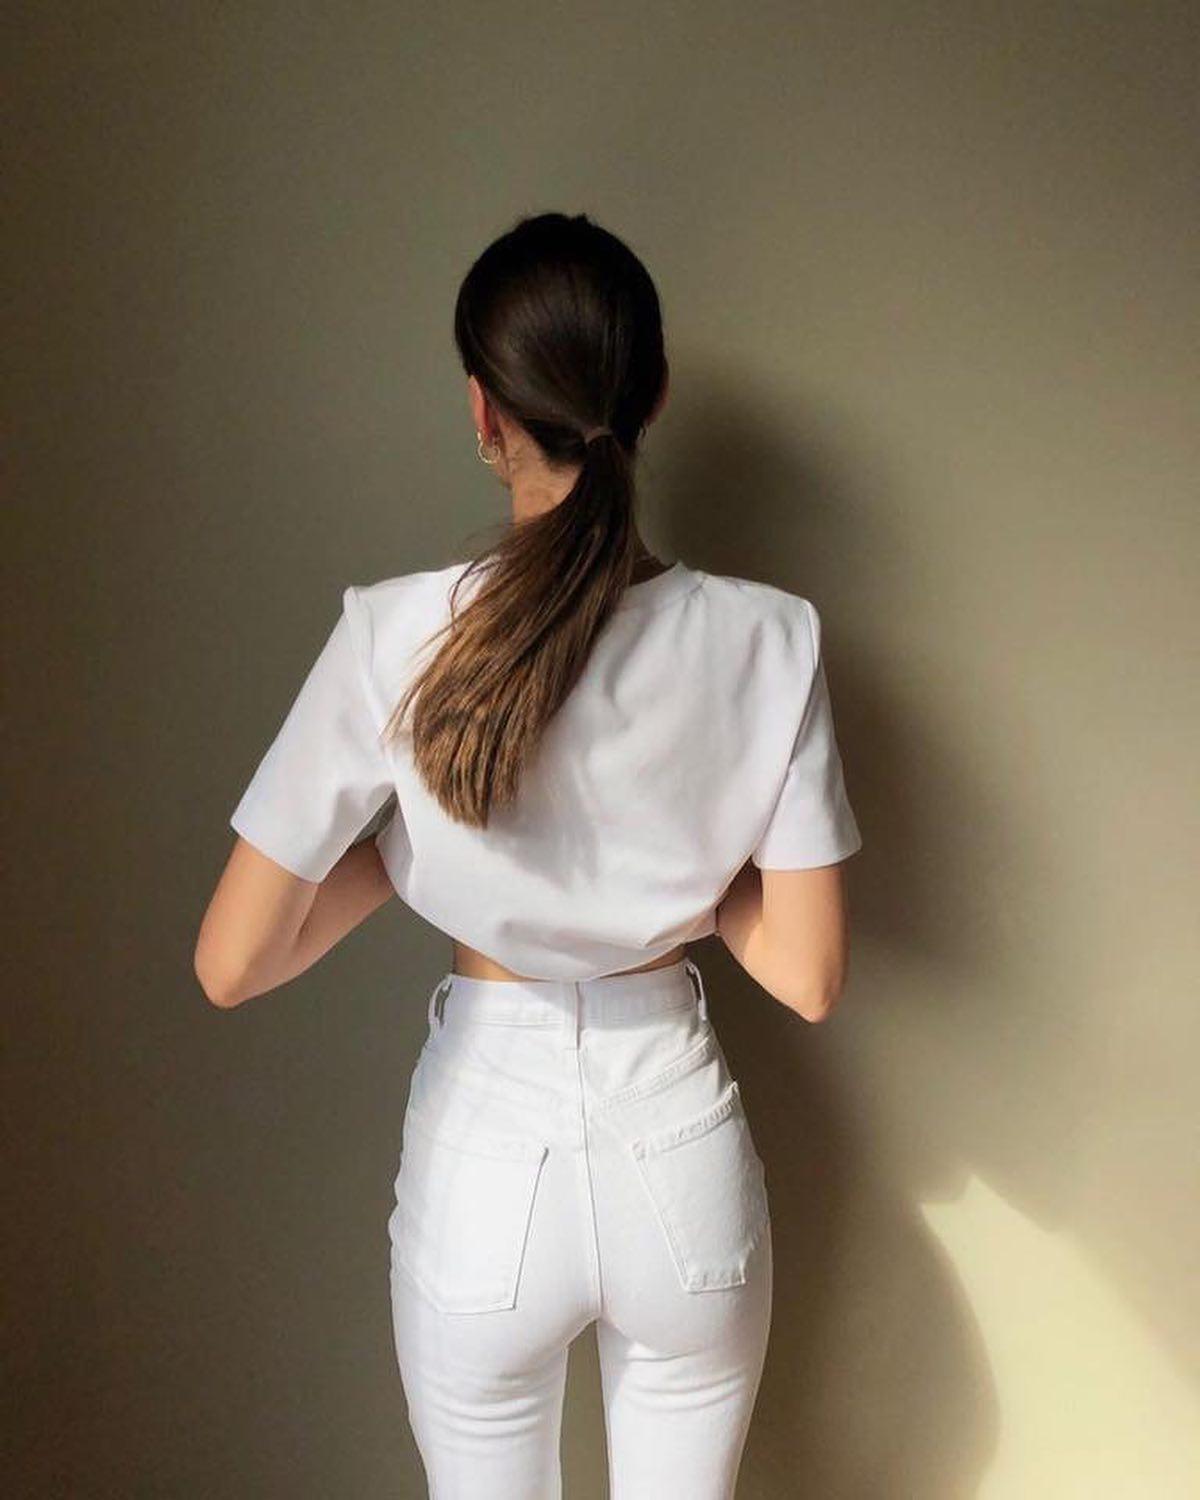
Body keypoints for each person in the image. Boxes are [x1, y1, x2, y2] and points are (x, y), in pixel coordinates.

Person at [194, 211, 863, 1499]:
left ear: (483, 412)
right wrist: (691, 869)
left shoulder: (392, 636)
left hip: (484, 1167)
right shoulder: (770, 638)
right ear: (651, 397)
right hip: (681, 1158)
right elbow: (811, 975)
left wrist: (409, 853)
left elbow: (232, 964)